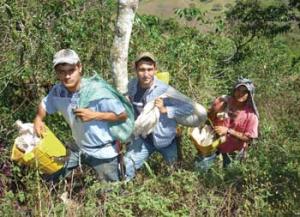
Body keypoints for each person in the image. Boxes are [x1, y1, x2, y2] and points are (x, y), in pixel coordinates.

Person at [34, 49, 128, 182]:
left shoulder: (97, 90)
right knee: (53, 176)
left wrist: (94, 115)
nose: (67, 76)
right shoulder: (58, 91)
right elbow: (44, 105)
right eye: (62, 72)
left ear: (79, 68)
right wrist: (38, 118)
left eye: (71, 70)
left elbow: (122, 115)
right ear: (57, 73)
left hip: (103, 150)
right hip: (78, 147)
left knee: (111, 192)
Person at [124, 52, 194, 180]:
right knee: (127, 166)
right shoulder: (132, 85)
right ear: (135, 69)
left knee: (175, 173)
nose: (146, 74)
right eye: (142, 70)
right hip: (143, 138)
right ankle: (120, 193)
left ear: (155, 69)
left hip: (166, 140)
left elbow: (189, 107)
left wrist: (166, 109)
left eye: (150, 69)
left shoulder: (164, 89)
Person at [202, 78, 259, 168]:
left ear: (249, 95)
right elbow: (207, 119)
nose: (240, 94)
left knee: (226, 179)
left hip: (232, 154)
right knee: (201, 171)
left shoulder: (251, 116)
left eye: (244, 92)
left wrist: (228, 131)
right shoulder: (223, 102)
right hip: (211, 147)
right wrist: (215, 110)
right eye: (238, 90)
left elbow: (249, 139)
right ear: (234, 90)